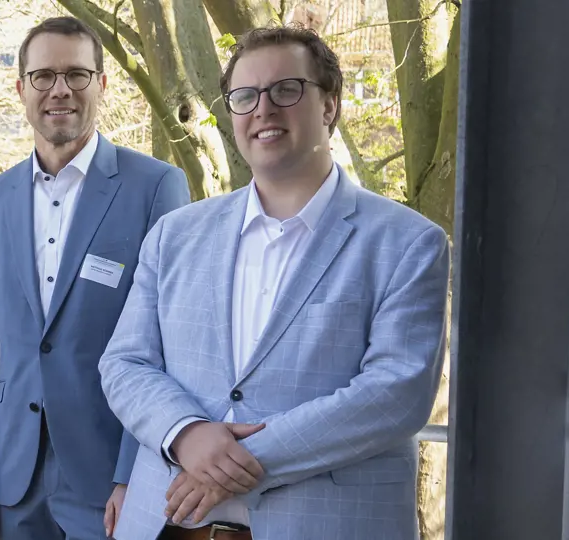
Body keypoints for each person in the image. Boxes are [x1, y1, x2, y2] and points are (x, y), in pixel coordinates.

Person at [99, 26, 448, 540]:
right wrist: (188, 434)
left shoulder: (408, 242)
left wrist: (233, 460)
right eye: (245, 96)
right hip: (169, 526)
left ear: (329, 106)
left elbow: (394, 393)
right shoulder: (175, 235)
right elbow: (124, 363)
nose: (263, 108)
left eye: (286, 89)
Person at [0, 16, 191, 540]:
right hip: (14, 478)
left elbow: (167, 345)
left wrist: (135, 475)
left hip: (110, 474)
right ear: (21, 89)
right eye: (44, 76)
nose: (60, 90)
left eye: (77, 75)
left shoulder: (156, 187)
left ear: (101, 85)